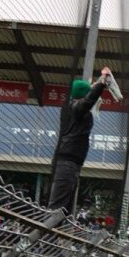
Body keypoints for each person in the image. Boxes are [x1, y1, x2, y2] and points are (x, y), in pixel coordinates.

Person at [48, 68, 112, 213]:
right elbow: (89, 100)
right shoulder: (78, 108)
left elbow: (85, 96)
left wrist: (95, 84)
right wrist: (101, 83)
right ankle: (38, 235)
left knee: (62, 209)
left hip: (68, 162)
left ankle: (53, 234)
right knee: (56, 208)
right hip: (68, 163)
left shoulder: (70, 107)